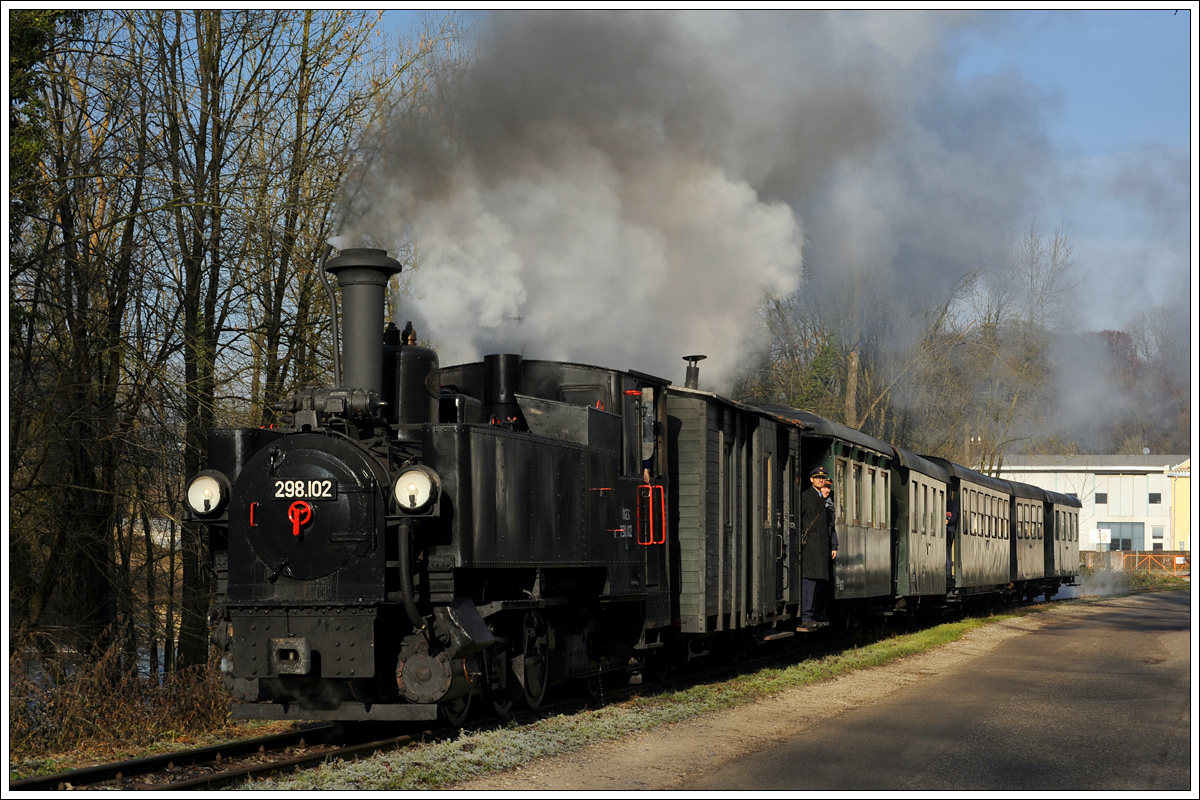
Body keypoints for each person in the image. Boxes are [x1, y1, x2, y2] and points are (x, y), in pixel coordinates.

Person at [798, 466, 838, 631]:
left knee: (819, 582)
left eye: (823, 478)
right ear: (811, 480)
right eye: (818, 478)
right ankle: (806, 616)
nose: (821, 480)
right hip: (811, 547)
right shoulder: (806, 496)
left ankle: (813, 613)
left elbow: (830, 525)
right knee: (810, 580)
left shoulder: (824, 498)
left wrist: (833, 545)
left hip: (821, 547)